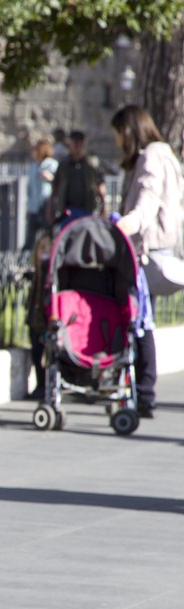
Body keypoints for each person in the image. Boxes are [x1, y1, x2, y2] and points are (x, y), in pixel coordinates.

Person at [111, 105, 184, 418]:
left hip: (148, 251)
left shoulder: (151, 157)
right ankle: (143, 390)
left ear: (129, 130)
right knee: (145, 319)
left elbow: (148, 197)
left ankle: (144, 390)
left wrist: (129, 222)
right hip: (163, 248)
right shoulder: (168, 155)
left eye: (118, 135)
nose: (117, 142)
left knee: (141, 321)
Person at [46, 130, 106, 226]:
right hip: (67, 212)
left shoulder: (91, 165)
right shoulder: (63, 165)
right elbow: (55, 188)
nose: (78, 147)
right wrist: (50, 208)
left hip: (87, 211)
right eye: (75, 143)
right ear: (70, 144)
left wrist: (103, 207)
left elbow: (100, 187)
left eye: (80, 143)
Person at [25, 232, 52, 399]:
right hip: (36, 320)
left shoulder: (48, 270)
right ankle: (40, 385)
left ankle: (45, 385)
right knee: (36, 352)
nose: (43, 252)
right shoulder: (38, 271)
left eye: (46, 248)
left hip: (46, 320)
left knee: (46, 354)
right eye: (40, 248)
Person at [26, 139, 58, 249]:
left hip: (46, 205)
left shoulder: (51, 164)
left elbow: (58, 182)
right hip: (34, 207)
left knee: (49, 234)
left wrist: (50, 177)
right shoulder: (33, 166)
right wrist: (28, 207)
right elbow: (30, 188)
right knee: (29, 239)